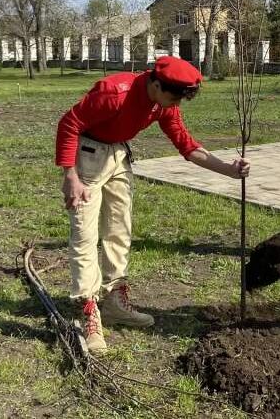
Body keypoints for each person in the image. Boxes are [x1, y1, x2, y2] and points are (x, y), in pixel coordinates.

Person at [55, 56, 250, 354]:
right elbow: (69, 123)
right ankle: (89, 311)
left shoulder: (164, 103)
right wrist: (71, 175)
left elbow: (186, 144)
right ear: (156, 84)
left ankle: (114, 302)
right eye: (174, 97)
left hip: (118, 155)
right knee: (85, 235)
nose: (177, 105)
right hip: (89, 155)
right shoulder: (114, 93)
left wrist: (229, 169)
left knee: (119, 231)